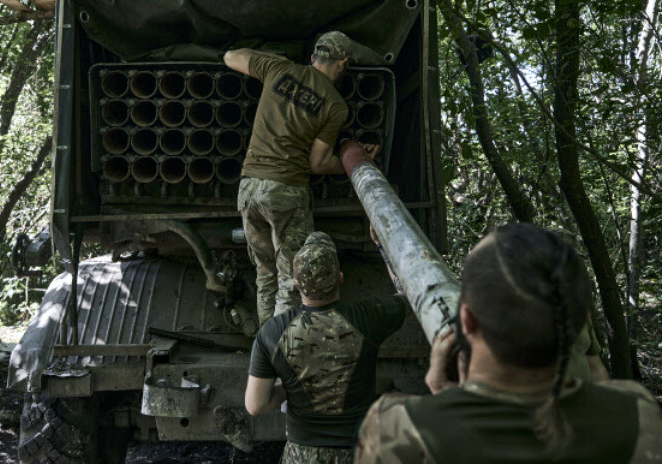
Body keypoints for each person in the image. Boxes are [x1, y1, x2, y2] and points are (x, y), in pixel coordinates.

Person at [355, 223, 661, 463]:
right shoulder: (641, 416)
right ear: (579, 324)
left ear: (467, 321)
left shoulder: (396, 432)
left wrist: (448, 401)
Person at [223, 32, 380, 327]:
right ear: (343, 64)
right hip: (286, 192)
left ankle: (264, 352)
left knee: (264, 275)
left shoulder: (278, 69)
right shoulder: (334, 105)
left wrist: (269, 57)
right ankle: (281, 356)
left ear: (313, 58)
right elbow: (318, 163)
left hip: (249, 189)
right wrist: (360, 162)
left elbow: (230, 56)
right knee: (291, 280)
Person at [244, 231, 407, 463]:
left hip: (302, 455)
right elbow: (407, 291)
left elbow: (255, 405)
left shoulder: (272, 333)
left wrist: (287, 390)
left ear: (296, 283)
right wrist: (381, 244)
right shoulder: (369, 319)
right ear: (340, 278)